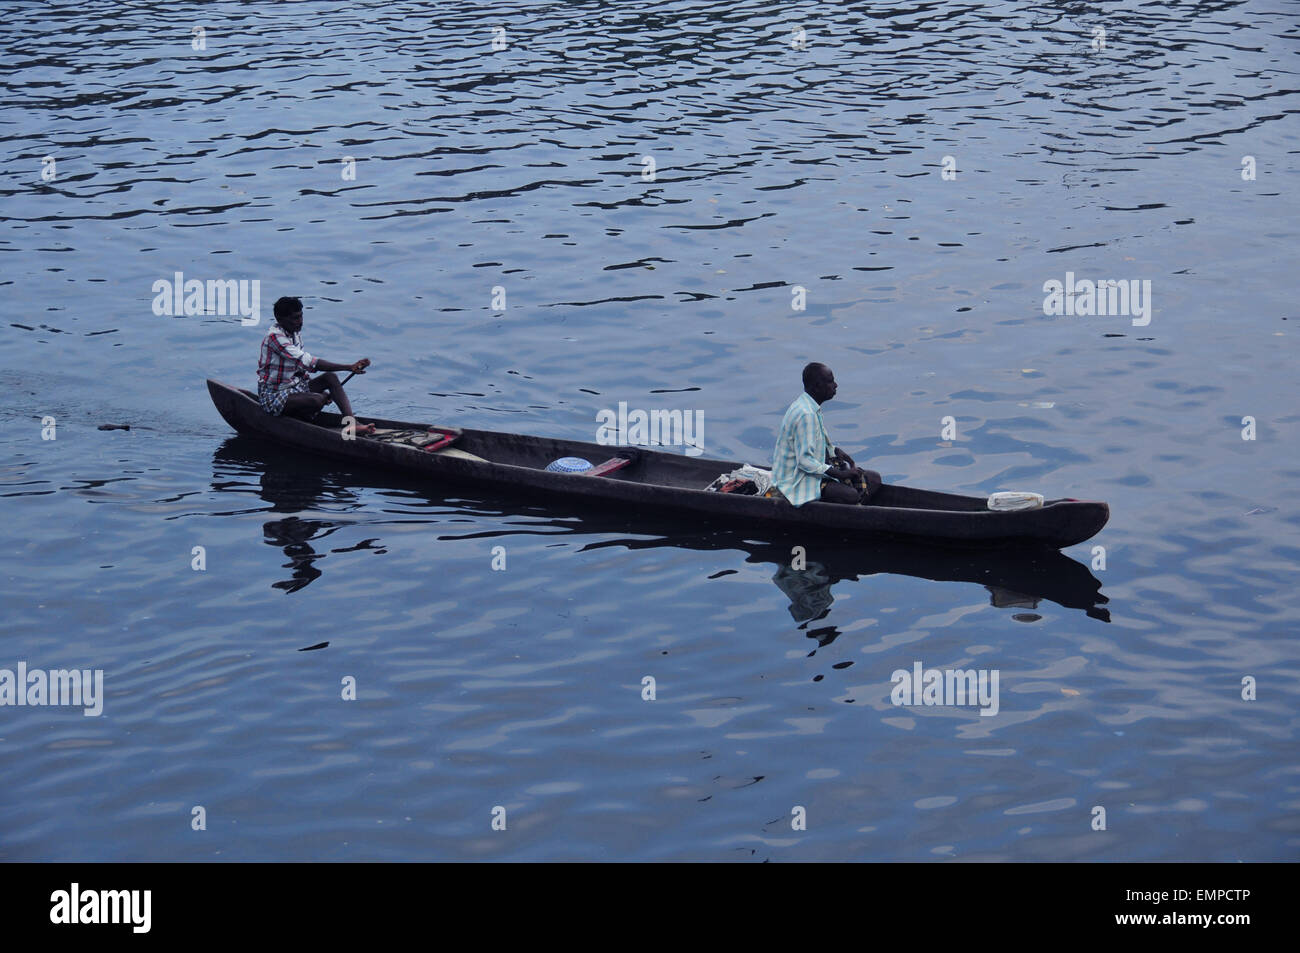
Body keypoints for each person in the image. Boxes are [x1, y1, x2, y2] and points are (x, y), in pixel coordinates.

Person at [257, 296, 373, 433]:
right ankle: (302, 412)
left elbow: (300, 370)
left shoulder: (295, 333)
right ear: (280, 319)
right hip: (274, 395)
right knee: (317, 400)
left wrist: (320, 390)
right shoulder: (275, 338)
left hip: (295, 388)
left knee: (330, 378)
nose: (300, 322)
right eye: (295, 318)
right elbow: (309, 362)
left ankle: (352, 423)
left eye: (301, 317)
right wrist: (348, 367)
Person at [771, 363, 881, 506]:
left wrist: (834, 451)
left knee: (874, 479)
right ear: (817, 386)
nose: (835, 385)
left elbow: (815, 444)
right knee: (851, 496)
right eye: (830, 381)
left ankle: (852, 509)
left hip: (809, 473)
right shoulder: (806, 414)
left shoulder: (810, 406)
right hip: (796, 481)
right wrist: (840, 474)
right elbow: (804, 461)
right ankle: (850, 510)